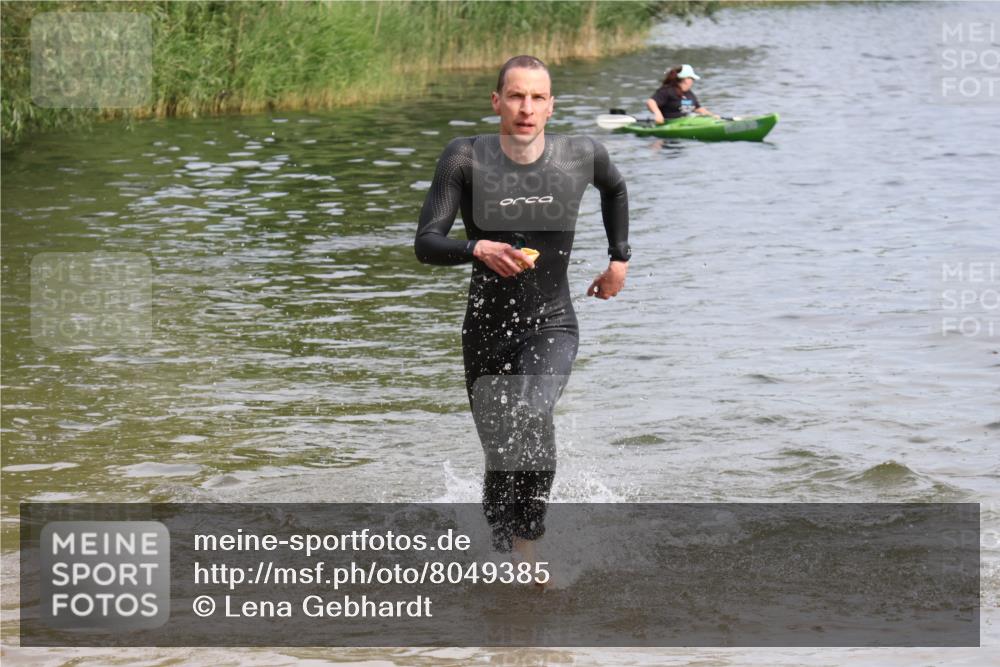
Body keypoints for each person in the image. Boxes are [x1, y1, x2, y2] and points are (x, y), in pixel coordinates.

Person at [414, 55, 630, 578]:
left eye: (537, 97)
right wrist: (477, 249)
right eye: (515, 96)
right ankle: (503, 551)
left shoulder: (580, 154)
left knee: (532, 412)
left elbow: (616, 189)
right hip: (485, 331)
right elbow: (426, 243)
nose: (526, 108)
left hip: (552, 322)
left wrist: (618, 259)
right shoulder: (464, 158)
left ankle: (530, 544)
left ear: (551, 105)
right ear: (497, 102)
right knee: (501, 451)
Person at [646, 63, 720, 124]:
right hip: (671, 123)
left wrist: (712, 116)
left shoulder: (689, 93)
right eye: (692, 79)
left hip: (688, 122)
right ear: (686, 79)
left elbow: (698, 108)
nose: (693, 81)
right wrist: (658, 114)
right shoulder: (667, 90)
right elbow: (651, 102)